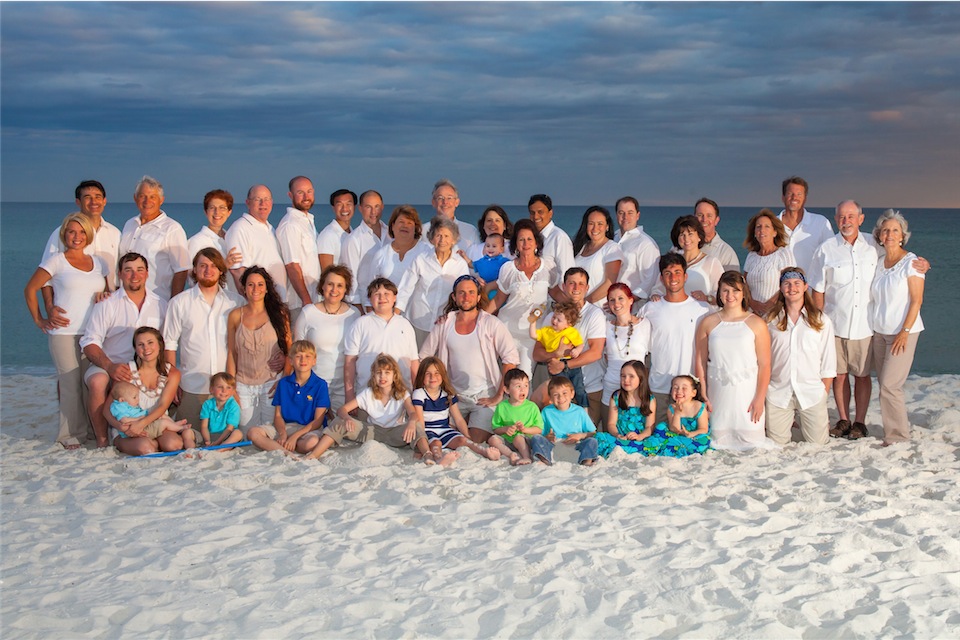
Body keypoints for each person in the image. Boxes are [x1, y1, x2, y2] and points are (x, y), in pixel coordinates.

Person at [25, 213, 110, 448]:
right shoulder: (56, 261)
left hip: (92, 334)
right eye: (72, 231)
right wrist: (40, 319)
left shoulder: (100, 263)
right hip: (64, 334)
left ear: (88, 235)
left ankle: (92, 432)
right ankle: (68, 435)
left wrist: (105, 296)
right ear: (64, 234)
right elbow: (31, 289)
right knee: (70, 384)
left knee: (89, 384)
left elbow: (109, 293)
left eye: (82, 232)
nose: (77, 236)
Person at [420, 274, 520, 447]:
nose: (466, 297)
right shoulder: (444, 323)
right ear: (454, 297)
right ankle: (461, 422)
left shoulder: (492, 323)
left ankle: (471, 424)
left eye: (471, 292)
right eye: (461, 293)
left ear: (479, 296)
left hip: (484, 396)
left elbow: (510, 360)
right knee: (445, 437)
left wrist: (498, 395)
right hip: (453, 396)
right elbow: (423, 357)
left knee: (474, 440)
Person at [808, 200, 879, 440]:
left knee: (861, 375)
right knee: (838, 375)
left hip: (865, 324)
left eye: (851, 216)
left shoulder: (873, 244)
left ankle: (860, 421)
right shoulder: (826, 248)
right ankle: (843, 419)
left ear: (861, 218)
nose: (846, 221)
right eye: (841, 217)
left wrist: (920, 263)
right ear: (836, 219)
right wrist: (819, 322)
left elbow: (897, 258)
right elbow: (817, 288)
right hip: (834, 323)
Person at [80, 253, 166, 448]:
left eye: (139, 270)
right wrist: (110, 367)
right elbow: (90, 341)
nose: (134, 275)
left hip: (145, 368)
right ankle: (102, 439)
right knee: (97, 380)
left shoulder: (161, 304)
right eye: (128, 270)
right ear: (120, 274)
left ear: (147, 274)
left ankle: (145, 430)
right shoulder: (107, 304)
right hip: (110, 363)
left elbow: (167, 343)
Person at [163, 248, 246, 430]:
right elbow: (169, 344)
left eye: (213, 266)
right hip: (193, 385)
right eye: (203, 266)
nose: (208, 270)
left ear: (221, 270)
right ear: (194, 269)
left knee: (228, 435)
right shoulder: (179, 303)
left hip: (229, 387)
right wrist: (172, 381)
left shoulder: (236, 303)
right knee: (191, 434)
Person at [695, 271, 775, 450]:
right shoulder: (708, 323)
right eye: (725, 291)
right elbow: (700, 361)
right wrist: (703, 394)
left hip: (747, 393)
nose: (730, 296)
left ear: (744, 293)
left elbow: (765, 364)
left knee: (752, 443)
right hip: (718, 392)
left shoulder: (756, 323)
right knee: (717, 443)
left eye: (735, 290)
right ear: (719, 293)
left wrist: (760, 398)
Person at [869, 210, 925, 445]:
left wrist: (904, 331)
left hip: (903, 333)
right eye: (885, 230)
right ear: (879, 236)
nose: (890, 234)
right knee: (885, 385)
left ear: (902, 235)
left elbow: (916, 300)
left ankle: (898, 437)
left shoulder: (911, 263)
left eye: (895, 230)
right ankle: (894, 429)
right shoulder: (879, 261)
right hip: (880, 333)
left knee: (891, 386)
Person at [764, 268, 837, 446]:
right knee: (776, 446)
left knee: (818, 445)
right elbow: (763, 360)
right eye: (787, 284)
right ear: (781, 288)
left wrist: (822, 394)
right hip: (778, 393)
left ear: (805, 286)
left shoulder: (821, 320)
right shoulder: (770, 320)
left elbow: (828, 363)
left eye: (797, 283)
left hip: (811, 393)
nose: (792, 287)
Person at [639, 254, 710, 424]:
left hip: (691, 389)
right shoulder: (649, 309)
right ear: (661, 278)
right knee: (657, 441)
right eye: (668, 273)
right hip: (659, 388)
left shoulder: (703, 309)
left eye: (678, 272)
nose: (673, 278)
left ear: (685, 276)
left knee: (689, 443)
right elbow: (639, 348)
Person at [532, 268, 607, 422]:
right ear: (563, 286)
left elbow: (596, 352)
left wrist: (564, 365)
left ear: (587, 288)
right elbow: (537, 353)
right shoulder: (553, 318)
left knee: (585, 436)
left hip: (588, 388)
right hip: (558, 392)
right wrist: (555, 355)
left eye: (581, 284)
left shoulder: (595, 314)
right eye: (571, 283)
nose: (576, 288)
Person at [104, 327, 193, 456]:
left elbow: (162, 406)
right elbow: (106, 410)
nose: (146, 348)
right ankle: (144, 443)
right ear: (135, 349)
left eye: (150, 342)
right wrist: (121, 427)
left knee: (174, 445)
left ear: (160, 345)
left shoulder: (172, 373)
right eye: (141, 345)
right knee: (146, 449)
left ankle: (157, 441)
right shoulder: (127, 371)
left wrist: (142, 424)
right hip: (129, 426)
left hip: (157, 423)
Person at [489, 218, 560, 376]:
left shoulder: (548, 267)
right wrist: (478, 318)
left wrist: (577, 306)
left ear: (536, 243)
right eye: (521, 239)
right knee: (507, 377)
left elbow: (555, 293)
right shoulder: (508, 269)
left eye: (529, 239)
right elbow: (499, 299)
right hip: (508, 331)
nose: (526, 243)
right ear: (516, 244)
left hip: (533, 334)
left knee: (525, 379)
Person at [39, 180, 120, 317]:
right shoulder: (63, 233)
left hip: (107, 313)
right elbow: (45, 278)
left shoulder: (115, 233)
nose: (93, 202)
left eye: (98, 197)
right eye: (87, 197)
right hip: (70, 314)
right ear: (78, 202)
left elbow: (119, 275)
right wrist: (49, 307)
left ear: (104, 201)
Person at [226, 266, 292, 430]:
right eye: (251, 284)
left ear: (267, 288)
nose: (256, 289)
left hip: (271, 383)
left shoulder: (279, 314)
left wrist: (284, 379)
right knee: (246, 431)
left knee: (270, 430)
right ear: (244, 288)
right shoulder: (235, 316)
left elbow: (291, 350)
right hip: (243, 384)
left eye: (260, 284)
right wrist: (231, 386)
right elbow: (232, 353)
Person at [336, 354, 432, 462]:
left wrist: (411, 422)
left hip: (395, 433)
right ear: (373, 375)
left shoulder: (402, 393)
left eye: (387, 372)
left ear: (394, 375)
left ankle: (428, 455)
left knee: (417, 425)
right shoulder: (368, 393)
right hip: (372, 432)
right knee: (339, 421)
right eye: (379, 373)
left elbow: (413, 413)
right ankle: (315, 455)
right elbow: (341, 410)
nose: (382, 376)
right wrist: (347, 418)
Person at [246, 340, 331, 458]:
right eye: (298, 356)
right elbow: (278, 416)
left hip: (307, 429)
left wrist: (295, 437)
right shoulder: (283, 383)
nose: (303, 360)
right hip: (285, 426)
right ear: (291, 361)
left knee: (312, 444)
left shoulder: (320, 385)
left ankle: (280, 446)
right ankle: (286, 452)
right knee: (253, 432)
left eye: (307, 356)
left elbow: (317, 421)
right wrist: (283, 434)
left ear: (314, 361)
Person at [412, 357, 504, 465]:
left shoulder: (448, 394)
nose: (433, 377)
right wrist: (422, 442)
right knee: (436, 444)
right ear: (421, 376)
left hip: (445, 430)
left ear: (443, 375)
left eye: (437, 373)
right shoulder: (419, 394)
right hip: (428, 431)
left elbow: (459, 419)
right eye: (428, 373)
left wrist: (468, 436)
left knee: (463, 441)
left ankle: (484, 452)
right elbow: (420, 422)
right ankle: (439, 459)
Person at [293, 265, 359, 414]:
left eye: (340, 285)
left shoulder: (354, 315)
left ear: (345, 289)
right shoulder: (308, 313)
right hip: (313, 385)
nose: (334, 290)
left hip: (345, 387)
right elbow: (296, 350)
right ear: (322, 286)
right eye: (330, 284)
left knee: (341, 432)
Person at [344, 278, 420, 404]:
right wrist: (349, 395)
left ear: (395, 297)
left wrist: (417, 394)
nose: (382, 298)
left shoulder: (405, 324)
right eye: (377, 294)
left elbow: (414, 362)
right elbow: (349, 362)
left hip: (400, 397)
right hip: (367, 396)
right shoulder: (360, 324)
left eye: (386, 294)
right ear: (369, 299)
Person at [396, 216, 470, 346]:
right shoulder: (421, 259)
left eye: (447, 236)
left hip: (444, 323)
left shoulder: (460, 264)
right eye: (438, 235)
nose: (442, 240)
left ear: (454, 240)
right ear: (431, 239)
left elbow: (463, 294)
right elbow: (406, 288)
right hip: (418, 321)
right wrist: (394, 316)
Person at [118, 176, 190, 303]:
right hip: (124, 300)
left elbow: (181, 270)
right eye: (142, 196)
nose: (147, 201)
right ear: (135, 198)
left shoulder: (172, 229)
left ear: (161, 200)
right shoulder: (130, 224)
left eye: (153, 197)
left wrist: (172, 305)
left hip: (156, 302)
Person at [224, 184, 288, 302]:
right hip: (259, 306)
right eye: (257, 199)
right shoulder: (240, 229)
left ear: (272, 202)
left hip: (276, 304)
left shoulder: (270, 229)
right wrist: (254, 308)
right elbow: (238, 272)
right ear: (248, 202)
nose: (263, 204)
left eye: (267, 199)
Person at [358, 205, 428, 310]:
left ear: (416, 228)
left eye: (410, 223)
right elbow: (371, 290)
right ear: (393, 225)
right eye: (401, 222)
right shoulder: (381, 254)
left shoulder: (426, 251)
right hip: (388, 316)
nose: (405, 226)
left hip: (419, 319)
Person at [601, 283, 651, 426]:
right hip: (611, 389)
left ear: (631, 300)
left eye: (620, 298)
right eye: (612, 300)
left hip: (637, 393)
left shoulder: (644, 324)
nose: (616, 303)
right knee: (611, 435)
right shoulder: (606, 326)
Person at [651, 215, 724, 307]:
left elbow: (722, 295)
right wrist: (655, 296)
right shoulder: (672, 262)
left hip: (702, 317)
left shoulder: (712, 263)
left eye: (690, 234)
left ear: (699, 237)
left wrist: (706, 298)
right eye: (682, 235)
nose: (686, 239)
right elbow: (658, 288)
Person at [276, 176, 321, 318]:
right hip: (300, 303)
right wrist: (306, 300)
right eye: (300, 192)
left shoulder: (307, 221)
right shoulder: (290, 225)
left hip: (315, 298)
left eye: (309, 191)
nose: (306, 197)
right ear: (290, 195)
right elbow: (292, 266)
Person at [529, 376, 599, 466]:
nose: (561, 397)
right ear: (550, 398)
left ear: (572, 394)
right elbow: (540, 433)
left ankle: (586, 461)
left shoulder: (579, 411)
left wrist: (580, 435)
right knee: (536, 438)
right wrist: (547, 437)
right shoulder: (547, 411)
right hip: (554, 446)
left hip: (576, 446)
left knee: (592, 441)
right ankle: (545, 460)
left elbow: (593, 432)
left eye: (564, 393)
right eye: (555, 395)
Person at [594, 360, 655, 458]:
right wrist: (618, 435)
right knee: (599, 437)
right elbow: (611, 424)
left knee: (659, 434)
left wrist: (639, 436)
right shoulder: (616, 397)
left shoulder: (649, 399)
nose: (626, 380)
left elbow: (649, 427)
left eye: (631, 376)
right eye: (623, 376)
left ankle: (630, 449)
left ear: (641, 378)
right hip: (620, 438)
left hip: (641, 439)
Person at [640, 375, 711, 458]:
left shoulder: (699, 406)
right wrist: (677, 413)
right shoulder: (671, 408)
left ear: (693, 393)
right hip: (676, 434)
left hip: (695, 435)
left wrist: (690, 434)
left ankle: (677, 448)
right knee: (661, 427)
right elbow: (674, 429)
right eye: (675, 388)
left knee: (704, 439)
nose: (679, 391)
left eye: (684, 388)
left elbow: (704, 429)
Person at [529, 301, 585, 404]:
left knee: (579, 388)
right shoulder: (546, 330)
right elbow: (533, 335)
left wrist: (577, 350)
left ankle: (584, 408)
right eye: (554, 317)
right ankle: (563, 409)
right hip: (555, 364)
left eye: (559, 320)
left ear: (568, 324)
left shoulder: (571, 332)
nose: (554, 321)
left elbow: (580, 344)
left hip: (570, 363)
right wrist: (533, 322)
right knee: (560, 389)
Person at [186, 189, 242, 290]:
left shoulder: (232, 238)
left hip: (235, 299)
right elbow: (192, 280)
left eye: (222, 208)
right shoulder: (196, 241)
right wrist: (223, 266)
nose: (217, 212)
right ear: (206, 211)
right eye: (212, 208)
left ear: (229, 212)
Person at [743, 208, 796, 315]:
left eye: (767, 226)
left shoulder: (784, 254)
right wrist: (753, 304)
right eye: (758, 227)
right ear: (754, 233)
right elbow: (744, 284)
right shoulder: (751, 256)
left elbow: (790, 284)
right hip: (752, 314)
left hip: (776, 313)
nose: (762, 230)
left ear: (775, 232)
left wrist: (770, 305)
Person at [341, 190, 389, 307]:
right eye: (368, 207)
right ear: (360, 208)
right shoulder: (353, 239)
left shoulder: (391, 234)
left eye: (377, 206)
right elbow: (350, 277)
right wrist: (360, 309)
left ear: (382, 207)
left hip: (389, 302)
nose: (373, 212)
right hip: (367, 304)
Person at [778, 176, 834, 273]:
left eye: (799, 194)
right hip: (777, 287)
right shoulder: (771, 225)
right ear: (783, 197)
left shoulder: (820, 223)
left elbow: (832, 256)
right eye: (790, 193)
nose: (794, 197)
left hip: (810, 287)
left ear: (805, 198)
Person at [614, 196, 660, 307]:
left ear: (637, 215)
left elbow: (650, 280)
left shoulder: (646, 244)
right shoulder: (612, 238)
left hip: (633, 309)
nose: (625, 217)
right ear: (616, 215)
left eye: (630, 213)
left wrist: (628, 300)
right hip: (609, 306)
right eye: (621, 213)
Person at [572, 205, 623, 303]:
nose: (595, 228)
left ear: (607, 226)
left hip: (597, 309)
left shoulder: (612, 248)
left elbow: (610, 282)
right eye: (591, 223)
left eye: (600, 224)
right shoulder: (580, 247)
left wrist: (584, 304)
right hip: (576, 310)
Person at [491, 368, 542, 465]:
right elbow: (495, 429)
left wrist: (525, 429)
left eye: (526, 385)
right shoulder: (502, 406)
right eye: (518, 386)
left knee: (518, 437)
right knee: (493, 439)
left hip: (525, 440)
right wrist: (505, 429)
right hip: (508, 440)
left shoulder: (532, 407)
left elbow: (539, 429)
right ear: (507, 390)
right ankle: (511, 455)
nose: (523, 389)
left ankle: (526, 457)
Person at [528, 194, 574, 299]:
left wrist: (565, 303)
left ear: (550, 213)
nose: (535, 217)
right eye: (532, 213)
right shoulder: (531, 237)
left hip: (553, 301)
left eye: (540, 212)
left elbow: (567, 273)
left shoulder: (559, 237)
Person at [110, 381, 189, 440]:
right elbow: (124, 420)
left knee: (161, 415)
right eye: (134, 397)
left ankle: (174, 424)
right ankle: (180, 429)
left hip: (143, 422)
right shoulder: (119, 407)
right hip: (139, 429)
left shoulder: (126, 404)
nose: (138, 399)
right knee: (163, 423)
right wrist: (140, 419)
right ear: (122, 400)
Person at [422, 179, 480, 251]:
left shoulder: (470, 231)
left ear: (457, 202)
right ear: (433, 202)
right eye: (440, 198)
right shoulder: (423, 230)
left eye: (449, 198)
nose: (445, 202)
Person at [198, 372, 245, 448]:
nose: (224, 391)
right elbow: (204, 426)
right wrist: (208, 441)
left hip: (226, 437)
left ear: (233, 391)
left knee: (238, 433)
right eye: (220, 387)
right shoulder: (207, 404)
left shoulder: (233, 406)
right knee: (188, 433)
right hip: (210, 435)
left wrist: (217, 442)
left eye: (228, 387)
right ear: (211, 389)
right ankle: (191, 451)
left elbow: (229, 428)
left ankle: (221, 448)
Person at [695, 197, 740, 272]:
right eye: (700, 215)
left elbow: (733, 283)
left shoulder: (726, 253)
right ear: (694, 218)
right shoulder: (680, 247)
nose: (704, 219)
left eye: (709, 216)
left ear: (716, 220)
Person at [317, 188, 357, 271]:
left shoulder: (354, 233)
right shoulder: (328, 235)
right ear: (333, 207)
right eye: (340, 204)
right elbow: (326, 273)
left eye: (348, 204)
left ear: (354, 207)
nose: (344, 209)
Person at [460, 233, 509, 299]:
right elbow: (471, 264)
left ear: (501, 249)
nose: (490, 248)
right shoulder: (482, 261)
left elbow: (510, 273)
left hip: (497, 289)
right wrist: (464, 256)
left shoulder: (504, 261)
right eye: (487, 246)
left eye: (494, 246)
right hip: (482, 288)